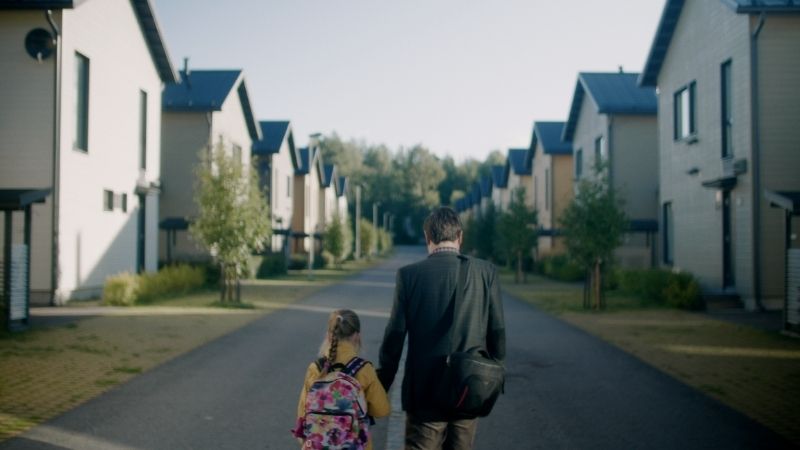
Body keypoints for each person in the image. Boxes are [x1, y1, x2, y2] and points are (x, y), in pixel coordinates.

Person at [377, 206, 506, 450]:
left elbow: (395, 334)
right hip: (469, 387)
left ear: (428, 238)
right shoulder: (485, 272)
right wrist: (495, 375)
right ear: (460, 237)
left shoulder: (409, 275)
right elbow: (497, 331)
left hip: (425, 392)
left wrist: (383, 382)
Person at [294, 309, 390, 450]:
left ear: (328, 336)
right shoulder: (364, 369)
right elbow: (381, 410)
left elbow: (303, 413)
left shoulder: (316, 368)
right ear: (357, 336)